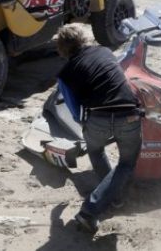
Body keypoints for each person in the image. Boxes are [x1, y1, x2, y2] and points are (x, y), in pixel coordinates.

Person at [55, 24, 142, 234]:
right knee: (126, 163)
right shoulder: (105, 51)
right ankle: (102, 204)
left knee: (95, 150)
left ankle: (103, 204)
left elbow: (75, 109)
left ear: (62, 48)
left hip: (97, 118)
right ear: (84, 38)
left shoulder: (65, 74)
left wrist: (85, 125)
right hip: (128, 113)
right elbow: (118, 77)